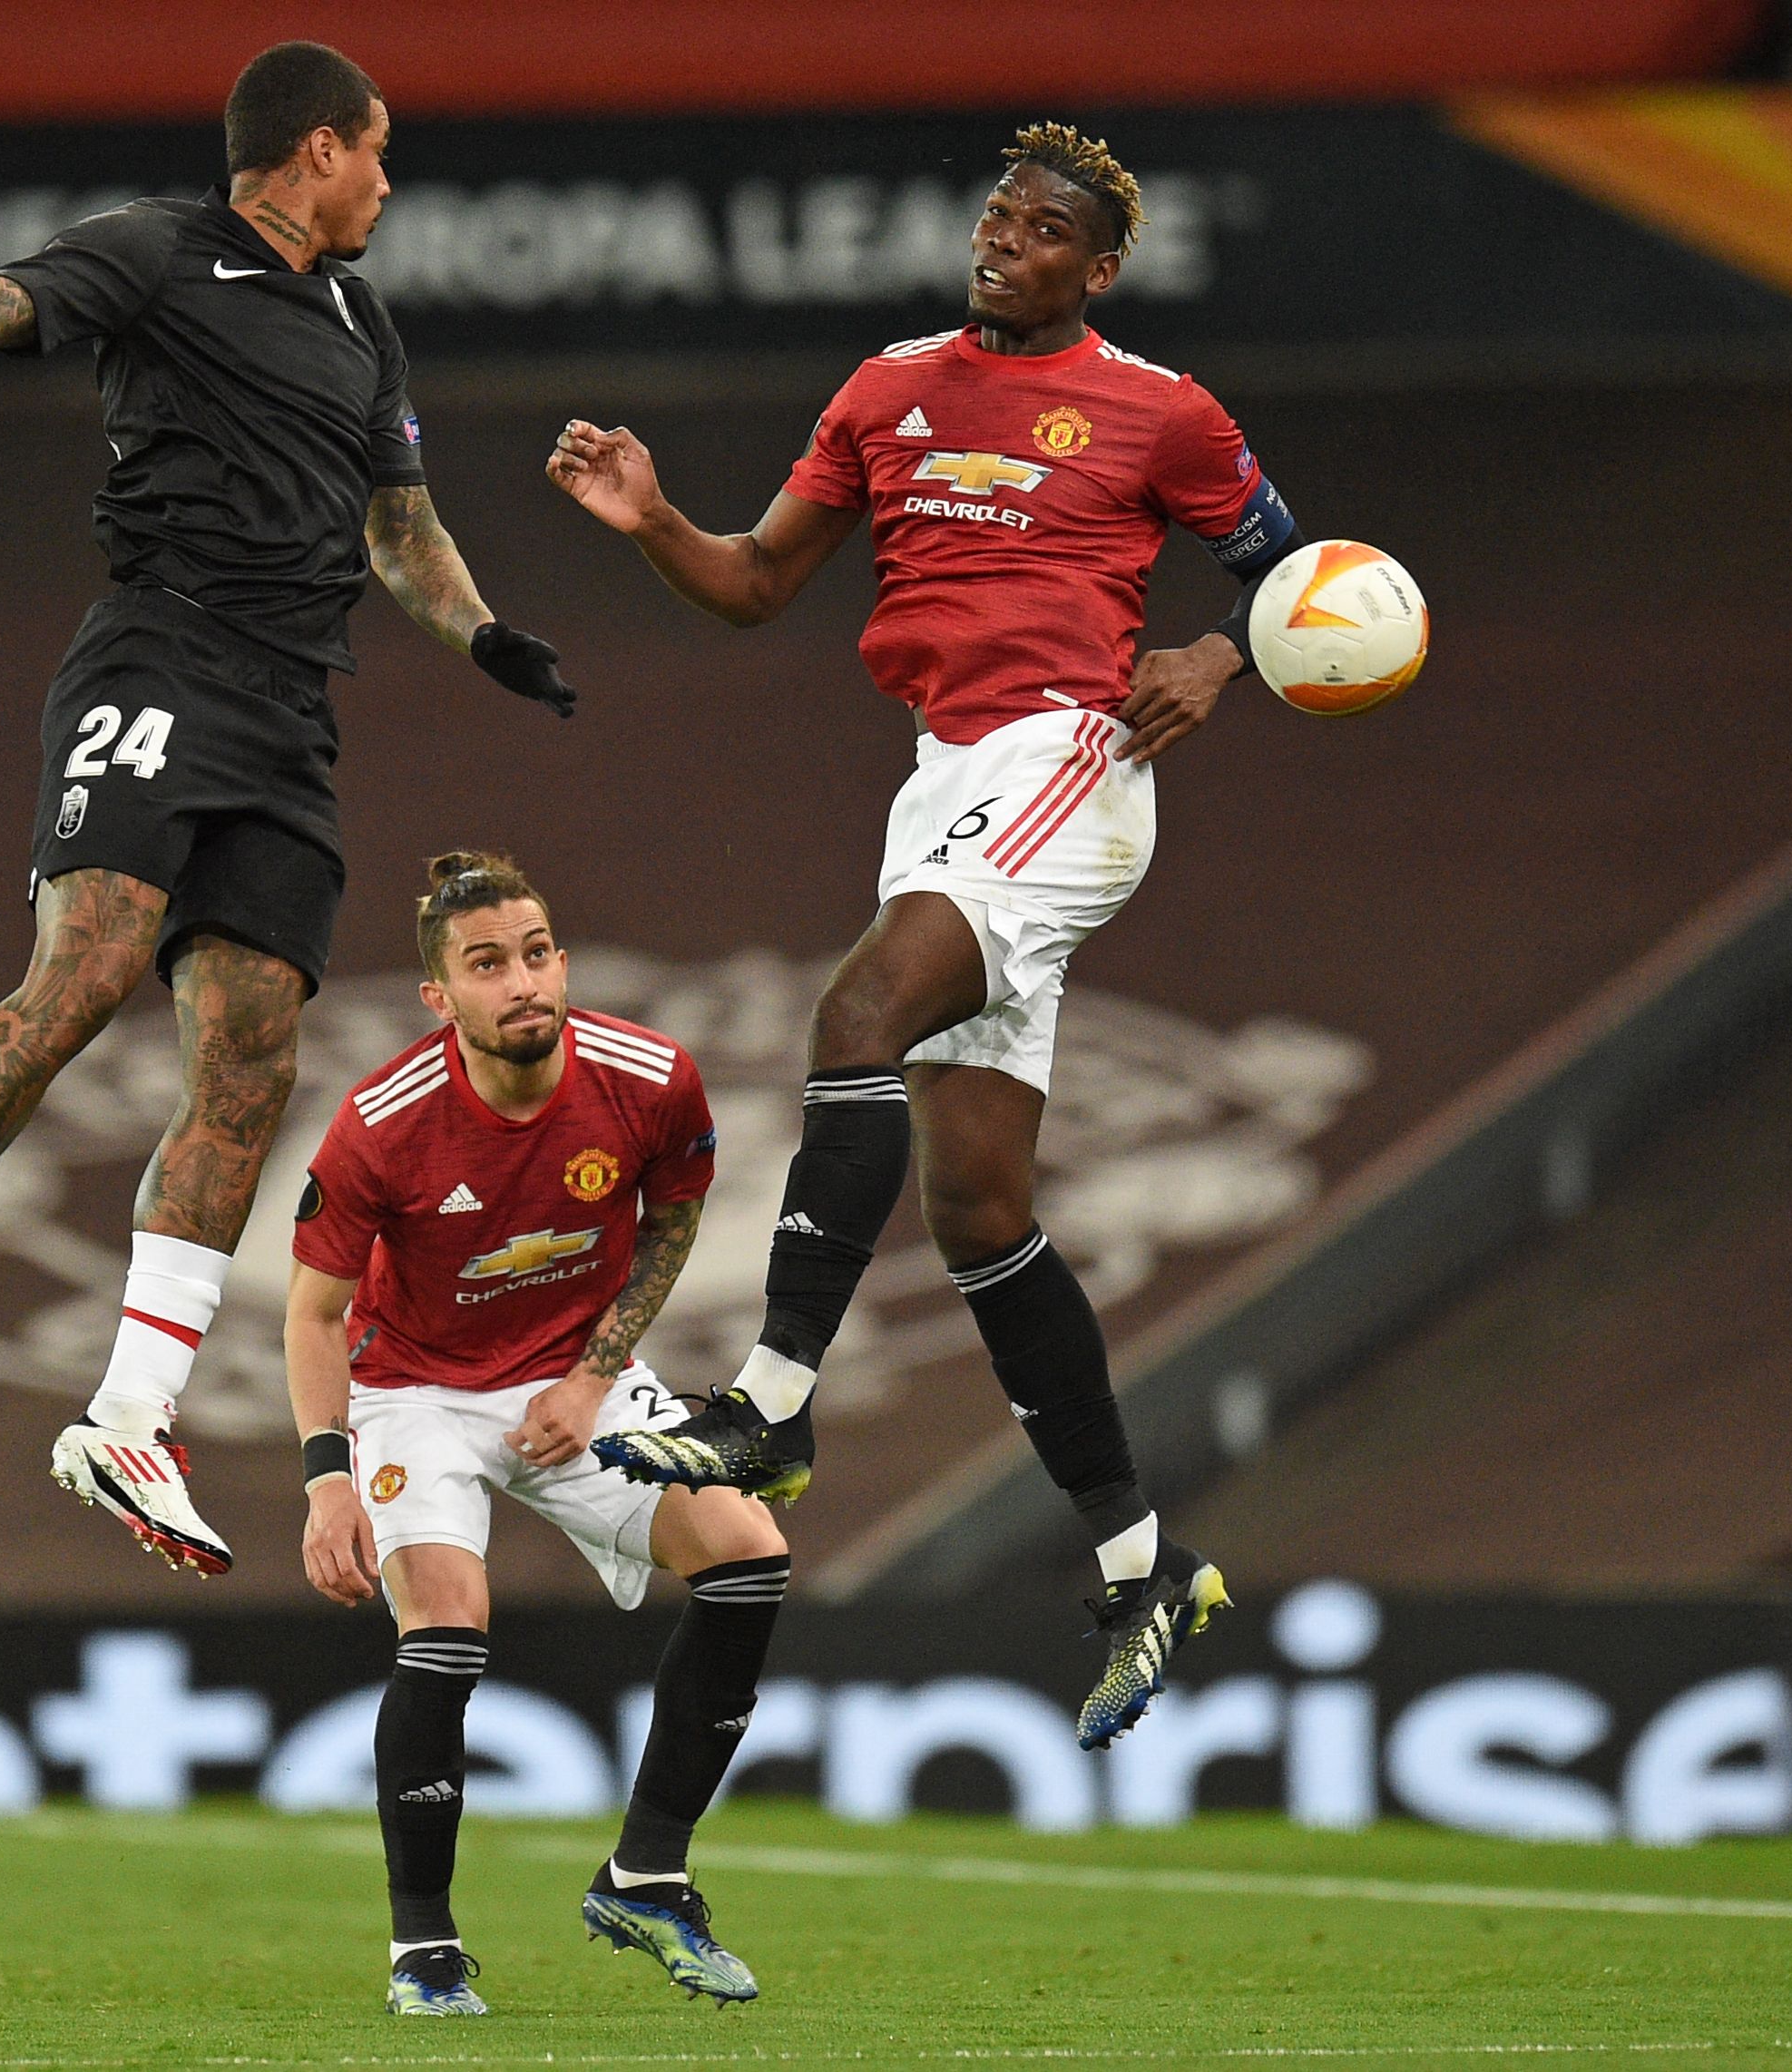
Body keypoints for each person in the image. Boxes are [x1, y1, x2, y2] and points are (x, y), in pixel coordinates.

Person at [0, 43, 582, 1578]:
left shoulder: (361, 323)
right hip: (161, 647)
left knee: (253, 1055)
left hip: (287, 714)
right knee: (91, 965)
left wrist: (485, 633)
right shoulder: (154, 250)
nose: (390, 180)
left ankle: (130, 1410)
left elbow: (403, 524)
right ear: (315, 151)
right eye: (378, 152)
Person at [547, 122, 1309, 1750]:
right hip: (945, 780)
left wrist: (1223, 656)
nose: (1003, 241)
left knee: (855, 1010)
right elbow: (756, 583)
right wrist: (650, 518)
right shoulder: (887, 386)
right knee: (978, 1210)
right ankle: (1143, 1562)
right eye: (995, 217)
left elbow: (1304, 565)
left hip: (1068, 762)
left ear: (1098, 270)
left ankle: (766, 1406)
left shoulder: (1163, 409)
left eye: (1042, 231)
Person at [289, 853, 788, 2016]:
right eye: (486, 965)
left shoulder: (651, 1078)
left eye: (537, 951)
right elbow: (312, 1315)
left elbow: (672, 1220)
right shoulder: (380, 1125)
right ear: (439, 998)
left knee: (748, 1549)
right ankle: (424, 1949)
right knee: (450, 1621)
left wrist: (593, 1371)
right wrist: (326, 1484)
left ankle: (646, 1875)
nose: (523, 981)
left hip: (578, 1378)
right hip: (416, 1390)